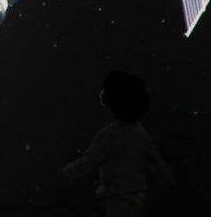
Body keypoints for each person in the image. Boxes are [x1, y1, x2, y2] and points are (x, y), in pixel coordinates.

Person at [61, 71, 174, 217]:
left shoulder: (110, 134)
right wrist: (168, 179)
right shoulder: (139, 131)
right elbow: (155, 159)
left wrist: (66, 173)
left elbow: (89, 160)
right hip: (138, 194)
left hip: (117, 195)